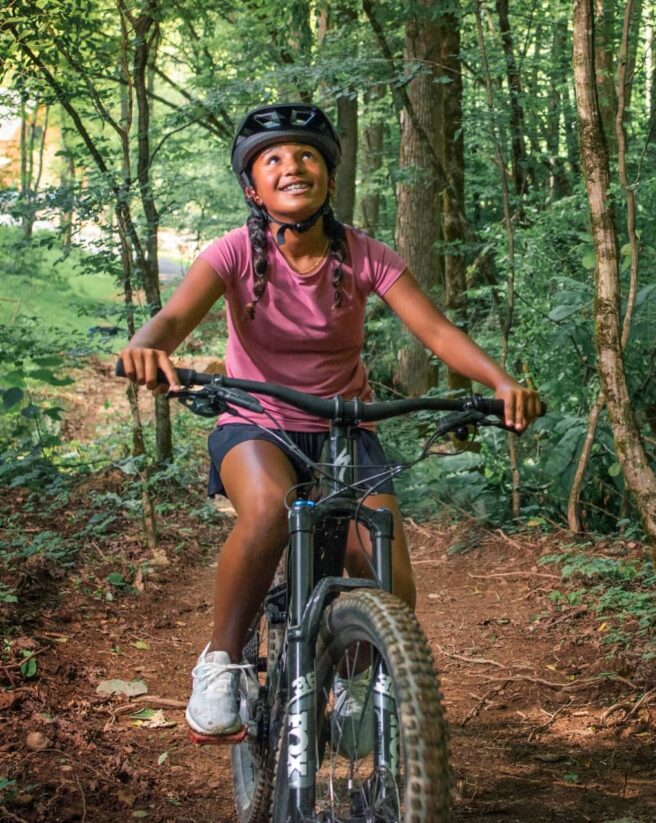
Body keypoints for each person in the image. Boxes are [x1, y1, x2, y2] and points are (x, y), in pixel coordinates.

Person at [119, 103, 542, 737]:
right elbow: (175, 319)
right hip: (256, 423)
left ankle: (359, 677)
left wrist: (501, 383)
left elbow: (436, 331)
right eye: (274, 159)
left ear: (329, 176)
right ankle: (222, 661)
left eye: (307, 155)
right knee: (266, 510)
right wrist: (149, 345)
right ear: (252, 186)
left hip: (346, 427)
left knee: (388, 570)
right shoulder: (233, 253)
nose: (294, 166)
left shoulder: (365, 255)